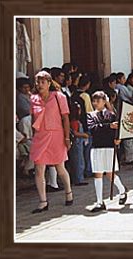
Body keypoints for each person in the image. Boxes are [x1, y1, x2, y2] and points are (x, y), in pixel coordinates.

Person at [29, 71, 73, 213]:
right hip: (40, 136)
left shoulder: (59, 97)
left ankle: (68, 193)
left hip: (56, 135)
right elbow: (32, 119)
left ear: (49, 83)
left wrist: (67, 138)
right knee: (39, 168)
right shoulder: (33, 98)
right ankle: (43, 201)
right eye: (38, 82)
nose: (40, 85)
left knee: (60, 167)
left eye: (43, 82)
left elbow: (65, 118)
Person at [87, 91, 128, 212]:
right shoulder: (90, 115)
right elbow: (92, 129)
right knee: (98, 173)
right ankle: (100, 202)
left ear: (104, 102)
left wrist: (118, 139)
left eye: (98, 101)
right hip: (97, 147)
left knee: (110, 174)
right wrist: (108, 126)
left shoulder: (111, 115)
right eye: (94, 101)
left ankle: (122, 190)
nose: (95, 103)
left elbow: (118, 131)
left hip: (109, 146)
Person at [69, 102, 89, 186]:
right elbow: (75, 133)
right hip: (76, 143)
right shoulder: (74, 122)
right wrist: (84, 135)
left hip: (78, 143)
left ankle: (78, 178)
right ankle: (78, 179)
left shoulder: (75, 121)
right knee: (78, 161)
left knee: (79, 160)